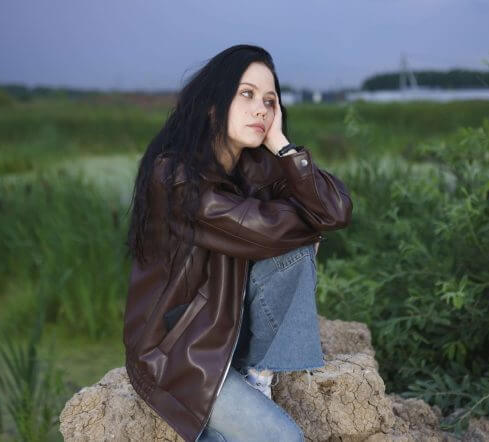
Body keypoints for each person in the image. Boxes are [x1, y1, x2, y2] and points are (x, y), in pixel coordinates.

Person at [123, 44, 353, 442]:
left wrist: (282, 145)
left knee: (296, 250)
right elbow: (263, 228)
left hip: (232, 329)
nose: (260, 109)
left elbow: (335, 211)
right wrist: (308, 225)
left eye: (269, 101)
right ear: (213, 105)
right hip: (180, 353)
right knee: (286, 440)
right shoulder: (174, 176)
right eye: (247, 94)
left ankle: (257, 374)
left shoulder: (257, 165)